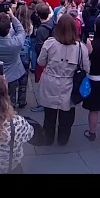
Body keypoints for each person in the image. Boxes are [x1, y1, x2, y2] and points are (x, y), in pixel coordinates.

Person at [36, 14, 90, 146]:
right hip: (69, 83)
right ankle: (63, 138)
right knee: (67, 114)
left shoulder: (49, 43)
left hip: (50, 82)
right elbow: (86, 69)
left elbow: (40, 62)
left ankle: (48, 138)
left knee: (49, 113)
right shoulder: (80, 47)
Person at [0, 8, 28, 109]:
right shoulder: (16, 43)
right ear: (9, 28)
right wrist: (12, 17)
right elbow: (21, 30)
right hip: (12, 75)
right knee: (10, 99)